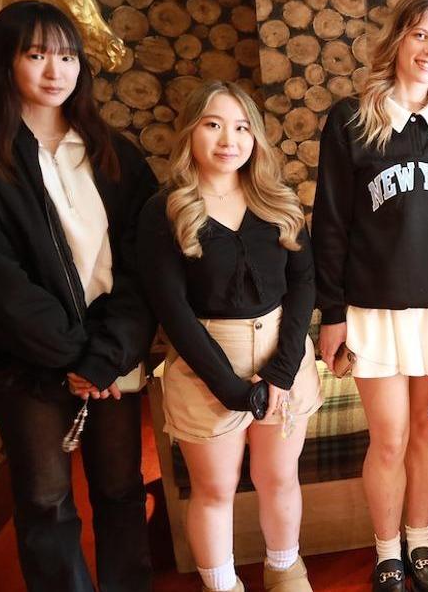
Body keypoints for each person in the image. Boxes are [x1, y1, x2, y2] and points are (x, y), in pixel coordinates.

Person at [0, 0, 155, 592]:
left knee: (121, 489)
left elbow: (144, 266)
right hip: (27, 363)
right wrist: (76, 357)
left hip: (108, 356)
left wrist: (105, 354)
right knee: (46, 500)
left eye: (67, 56)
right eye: (35, 55)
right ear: (5, 63)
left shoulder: (116, 154)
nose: (55, 70)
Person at [313, 0, 428, 592]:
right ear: (398, 39)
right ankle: (386, 551)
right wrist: (331, 314)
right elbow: (329, 224)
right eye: (420, 35)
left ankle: (420, 542)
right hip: (370, 309)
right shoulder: (351, 120)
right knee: (387, 436)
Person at [138, 80, 320, 592]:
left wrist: (281, 371)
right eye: (213, 124)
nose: (228, 139)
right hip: (206, 365)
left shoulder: (276, 200)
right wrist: (232, 389)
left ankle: (285, 570)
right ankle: (223, 585)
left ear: (256, 138)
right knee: (214, 489)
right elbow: (171, 310)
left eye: (242, 127)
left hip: (283, 355)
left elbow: (305, 282)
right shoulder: (166, 209)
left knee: (279, 479)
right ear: (191, 131)